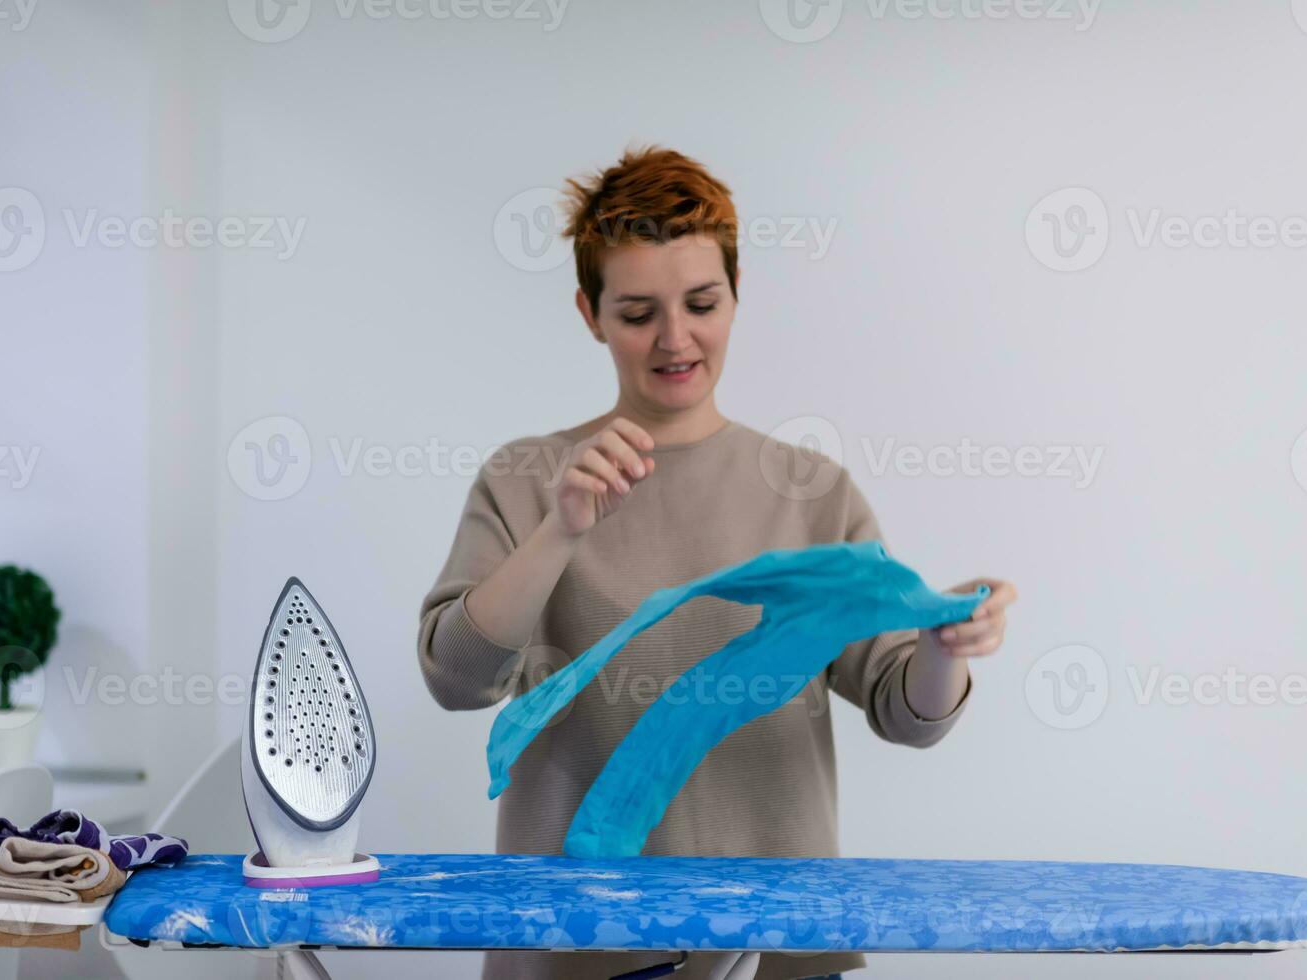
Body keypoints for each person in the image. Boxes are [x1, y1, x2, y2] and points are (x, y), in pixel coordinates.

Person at [417, 145, 1017, 980]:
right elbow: (457, 678)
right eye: (636, 313)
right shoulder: (528, 480)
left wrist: (939, 647)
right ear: (589, 313)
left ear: (736, 296)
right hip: (575, 954)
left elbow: (904, 712)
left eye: (701, 302)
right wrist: (559, 529)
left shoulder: (809, 489)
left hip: (782, 951)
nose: (675, 339)